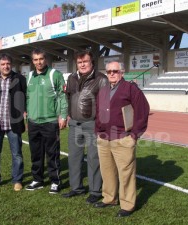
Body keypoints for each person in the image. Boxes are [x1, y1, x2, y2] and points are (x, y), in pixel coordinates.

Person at [94, 61, 150, 217]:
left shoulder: (131, 89)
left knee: (126, 173)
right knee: (107, 172)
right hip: (104, 138)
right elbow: (98, 111)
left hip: (123, 138)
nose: (112, 73)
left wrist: (134, 135)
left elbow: (143, 110)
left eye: (115, 71)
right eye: (109, 71)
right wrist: (97, 130)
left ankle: (128, 205)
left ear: (122, 72)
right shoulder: (103, 90)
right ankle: (109, 198)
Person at [62, 50, 108, 204]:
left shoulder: (101, 79)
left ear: (91, 62)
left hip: (93, 125)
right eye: (79, 62)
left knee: (94, 159)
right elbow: (68, 97)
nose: (82, 65)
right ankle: (76, 188)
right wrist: (69, 114)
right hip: (75, 124)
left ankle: (95, 191)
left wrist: (101, 125)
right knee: (74, 158)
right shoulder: (71, 78)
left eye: (85, 62)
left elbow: (106, 105)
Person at [25, 49, 67, 194]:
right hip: (33, 122)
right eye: (35, 60)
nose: (39, 62)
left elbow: (62, 96)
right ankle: (38, 180)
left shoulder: (54, 74)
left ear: (46, 59)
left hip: (50, 121)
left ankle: (55, 181)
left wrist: (63, 115)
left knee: (52, 153)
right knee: (35, 153)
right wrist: (27, 115)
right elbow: (27, 98)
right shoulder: (29, 76)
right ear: (32, 61)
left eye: (41, 59)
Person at [0, 53, 26, 191]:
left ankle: (17, 180)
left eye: (8, 63)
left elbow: (24, 98)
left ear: (11, 64)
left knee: (17, 154)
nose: (5, 66)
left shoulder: (20, 78)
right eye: (2, 64)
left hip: (14, 123)